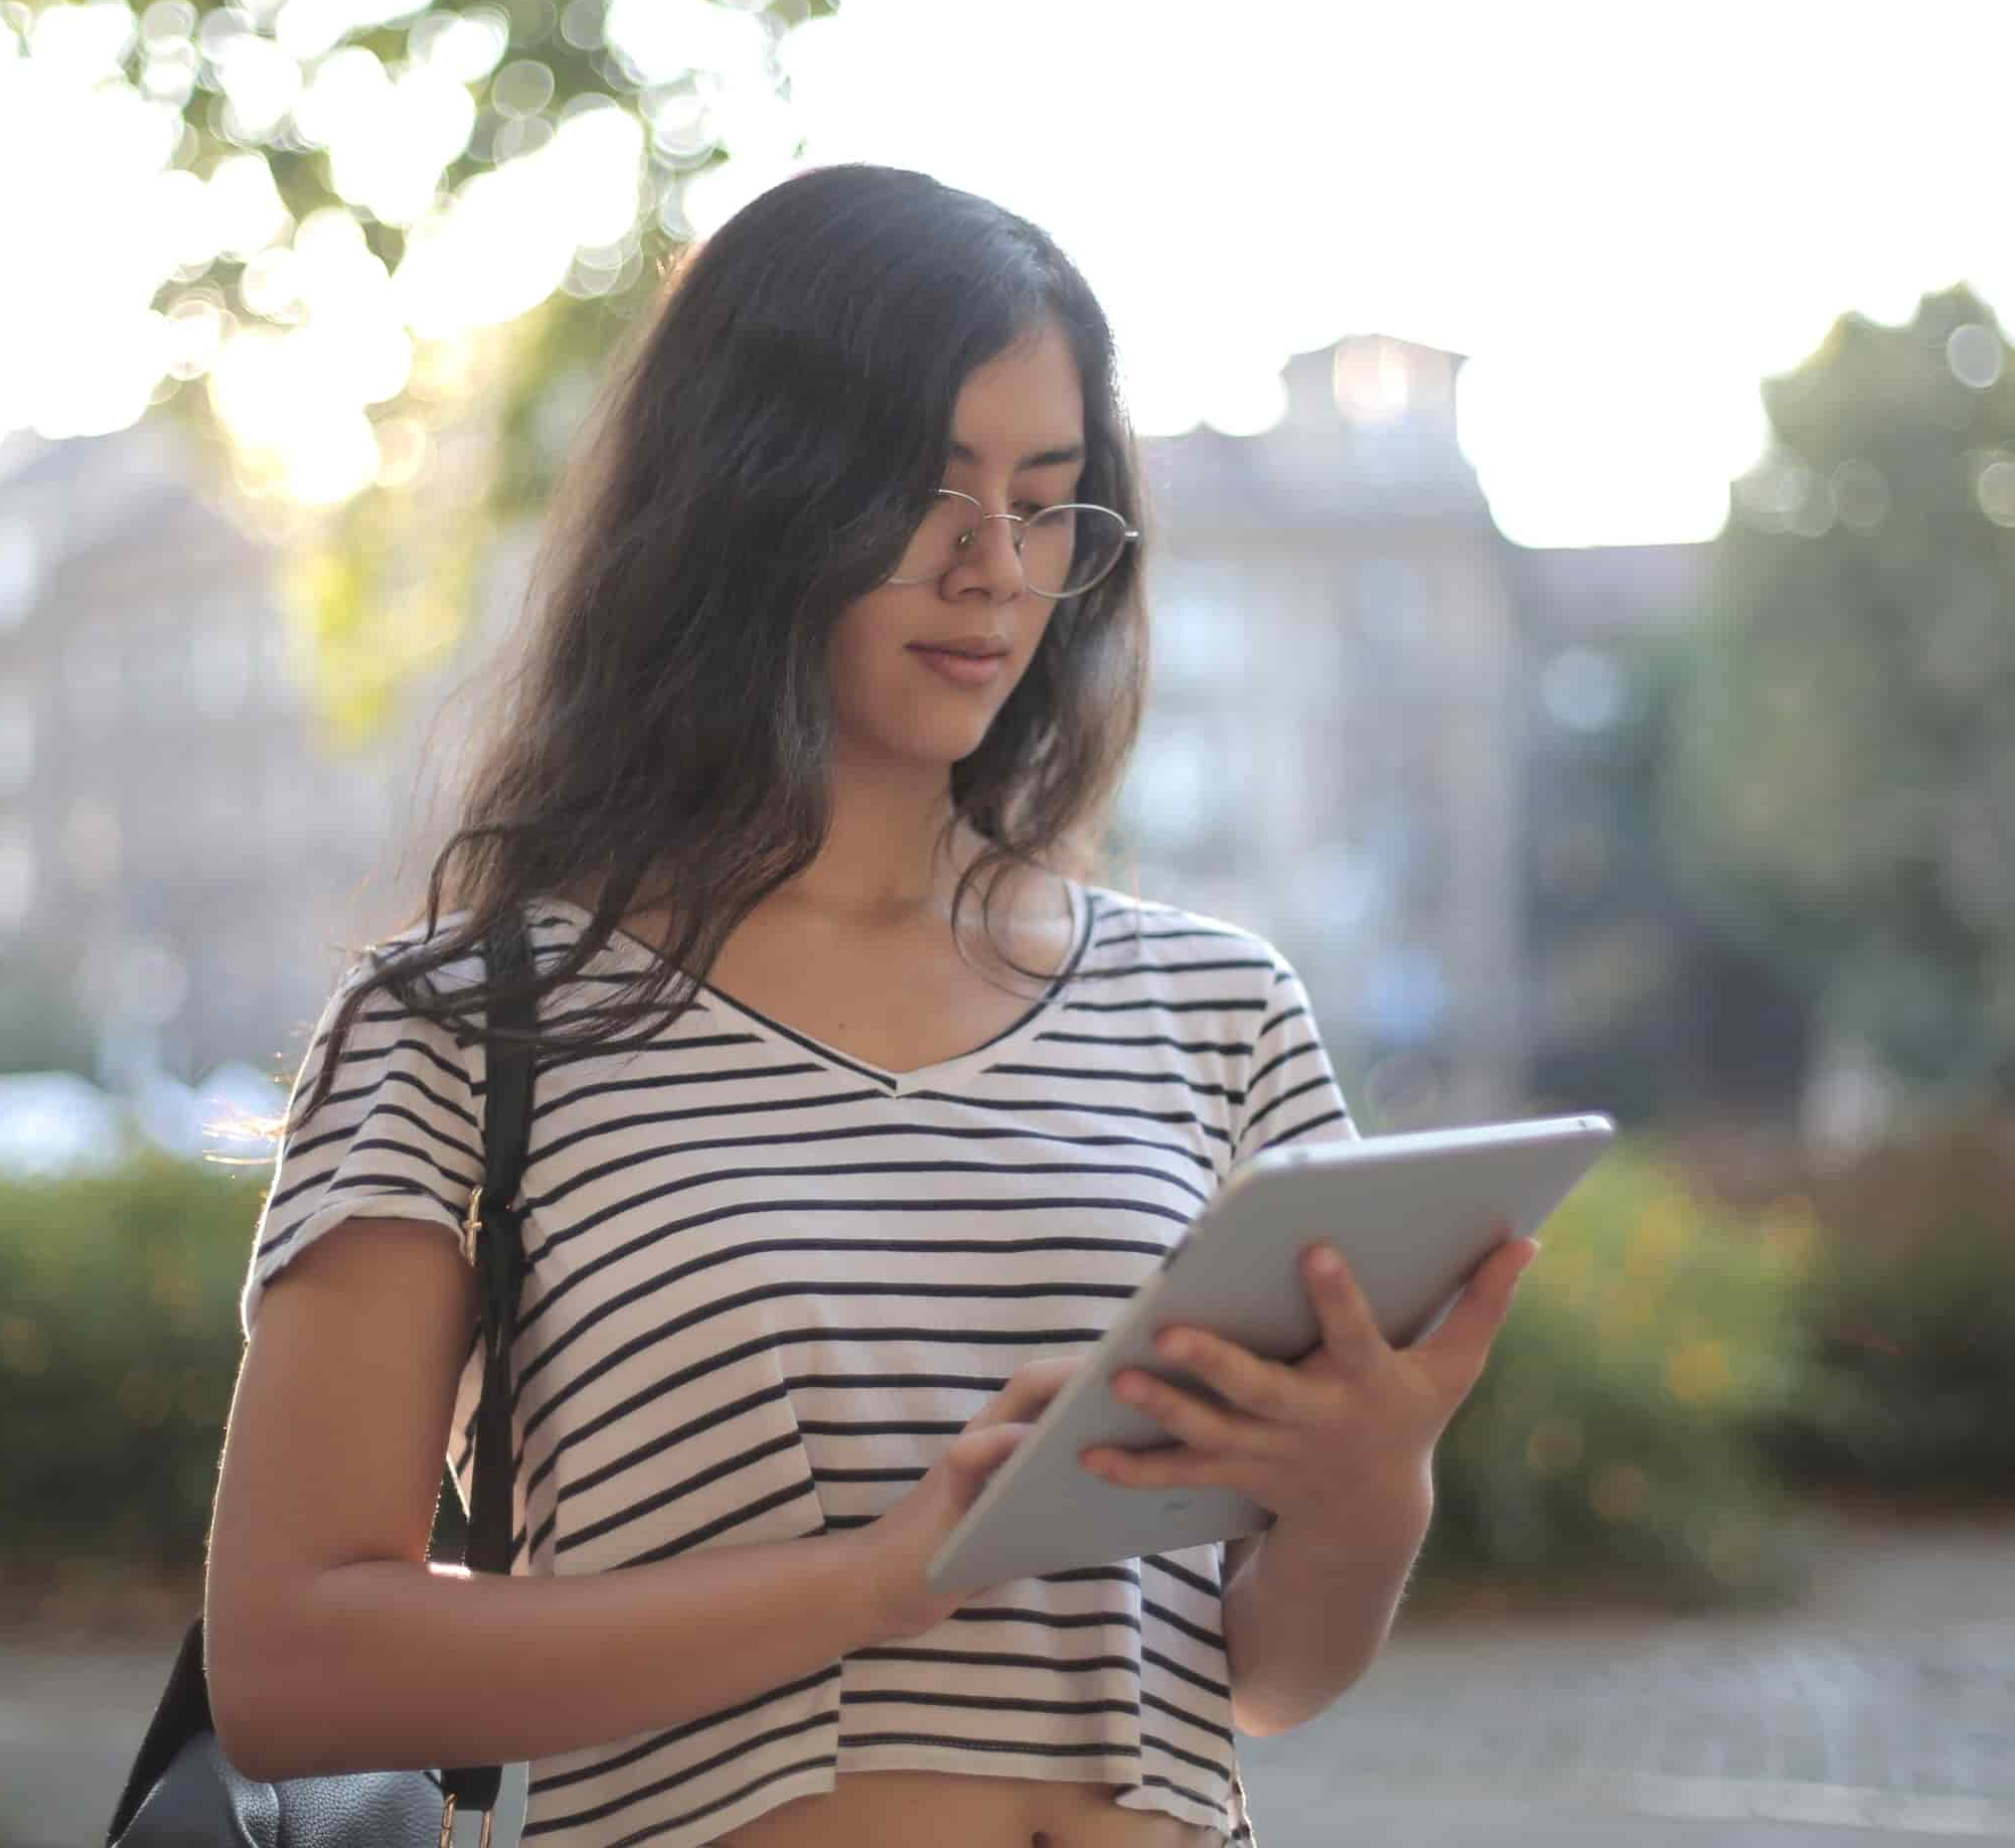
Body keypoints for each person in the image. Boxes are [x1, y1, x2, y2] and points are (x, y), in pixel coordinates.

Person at [202, 163, 1541, 1848]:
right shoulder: (469, 1030)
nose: (996, 567)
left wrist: (1370, 1489)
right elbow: (291, 1665)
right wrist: (879, 1581)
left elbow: (1262, 1676)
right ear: (751, 499)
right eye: (928, 491)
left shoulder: (1215, 1008)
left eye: (1047, 503)